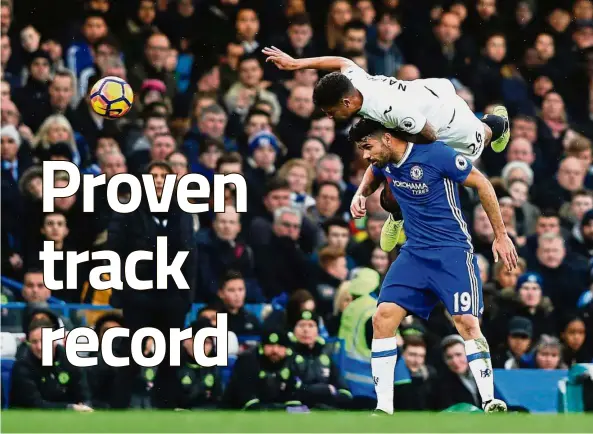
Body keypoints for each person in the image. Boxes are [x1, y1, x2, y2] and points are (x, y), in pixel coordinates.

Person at [262, 46, 511, 254]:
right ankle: (397, 212)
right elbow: (342, 61)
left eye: (330, 111)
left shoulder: (389, 110)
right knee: (390, 165)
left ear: (347, 102)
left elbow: (430, 135)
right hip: (420, 93)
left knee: (484, 138)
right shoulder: (353, 81)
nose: (328, 117)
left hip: (445, 119)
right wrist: (296, 63)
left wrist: (394, 150)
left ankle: (499, 123)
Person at [347, 118, 518, 415]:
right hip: (414, 253)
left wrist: (500, 236)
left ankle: (490, 400)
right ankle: (383, 408)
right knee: (382, 318)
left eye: (367, 146)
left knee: (466, 321)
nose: (365, 155)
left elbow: (483, 183)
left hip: (452, 252)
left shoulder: (436, 154)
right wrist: (360, 194)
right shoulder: (383, 160)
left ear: (387, 138)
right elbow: (373, 172)